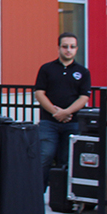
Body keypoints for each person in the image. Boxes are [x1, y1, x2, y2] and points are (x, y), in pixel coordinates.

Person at [35, 32, 91, 191]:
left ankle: (62, 194)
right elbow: (39, 93)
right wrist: (56, 113)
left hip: (72, 123)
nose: (68, 50)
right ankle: (37, 192)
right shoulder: (47, 69)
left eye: (72, 47)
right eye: (65, 46)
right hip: (48, 122)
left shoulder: (83, 72)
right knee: (45, 156)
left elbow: (84, 97)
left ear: (77, 49)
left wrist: (66, 112)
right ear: (58, 48)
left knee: (67, 159)